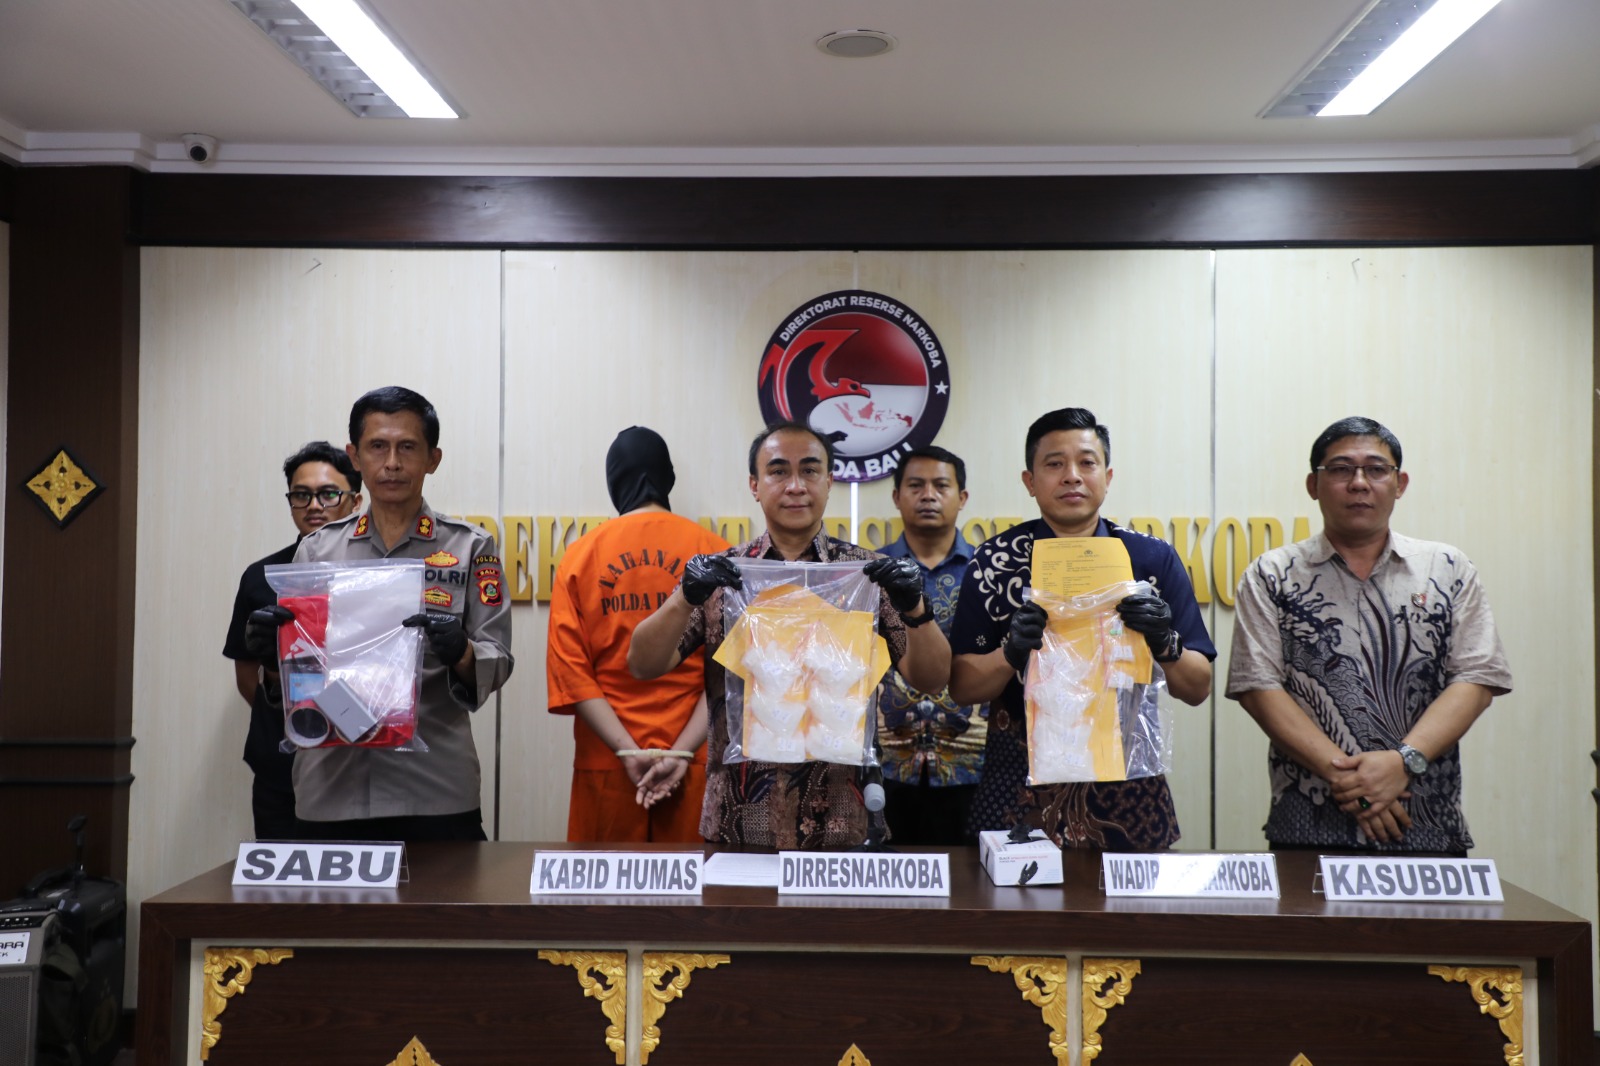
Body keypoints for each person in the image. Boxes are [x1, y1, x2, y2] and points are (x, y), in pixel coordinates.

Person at [627, 420, 952, 849]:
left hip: (842, 821)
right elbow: (642, 665)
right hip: (739, 820)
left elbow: (932, 679)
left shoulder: (870, 575)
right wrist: (684, 597)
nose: (796, 486)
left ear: (830, 481)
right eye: (779, 471)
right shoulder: (723, 575)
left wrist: (915, 609)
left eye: (810, 470)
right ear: (755, 485)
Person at [1226, 416, 1511, 854]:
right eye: (1341, 469)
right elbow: (1257, 689)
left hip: (1426, 823)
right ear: (1313, 485)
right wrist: (1353, 781)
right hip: (1308, 826)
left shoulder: (1447, 568)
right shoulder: (1272, 574)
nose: (1359, 483)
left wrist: (1403, 762)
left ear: (1400, 484)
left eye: (1376, 469)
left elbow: (1476, 679)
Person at [246, 386, 513, 842]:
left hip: (435, 788)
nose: (392, 463)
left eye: (407, 447)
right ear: (354, 456)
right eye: (377, 447)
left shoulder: (470, 547)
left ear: (433, 459)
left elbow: (498, 657)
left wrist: (462, 652)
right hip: (332, 789)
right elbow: (299, 678)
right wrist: (273, 662)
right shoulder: (318, 550)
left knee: (448, 893)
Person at [948, 407, 1215, 850]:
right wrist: (1010, 654)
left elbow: (1198, 687)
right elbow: (962, 686)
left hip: (1128, 787)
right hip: (1020, 785)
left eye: (1087, 462)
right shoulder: (996, 561)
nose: (1072, 475)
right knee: (1014, 896)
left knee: (1131, 897)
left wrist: (1165, 643)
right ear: (1030, 481)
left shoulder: (1151, 560)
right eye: (1054, 464)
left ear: (1107, 477)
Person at [546, 426, 730, 842]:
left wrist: (627, 749)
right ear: (668, 478)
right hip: (694, 760)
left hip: (608, 764)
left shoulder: (580, 557)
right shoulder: (715, 552)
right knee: (696, 882)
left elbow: (572, 675)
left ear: (614, 480)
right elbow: (728, 671)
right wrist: (681, 751)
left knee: (607, 883)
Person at [223, 441, 362, 839]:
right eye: (301, 495)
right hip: (281, 767)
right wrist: (295, 713)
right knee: (286, 876)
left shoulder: (375, 576)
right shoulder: (262, 576)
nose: (314, 506)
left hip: (360, 763)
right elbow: (246, 675)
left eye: (328, 494)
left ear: (355, 501)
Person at [876, 446, 987, 846]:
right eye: (916, 486)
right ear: (896, 496)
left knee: (970, 880)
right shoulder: (872, 573)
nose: (928, 495)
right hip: (885, 766)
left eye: (941, 485)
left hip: (972, 763)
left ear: (962, 497)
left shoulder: (987, 573)